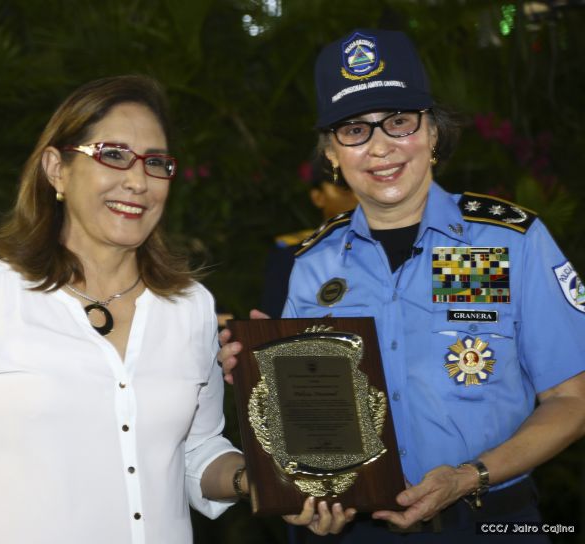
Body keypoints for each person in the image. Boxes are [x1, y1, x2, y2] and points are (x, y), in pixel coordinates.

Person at [0, 75, 345, 544]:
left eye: (156, 163)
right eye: (113, 155)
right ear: (57, 169)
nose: (138, 181)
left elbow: (195, 452)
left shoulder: (190, 307)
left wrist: (263, 481)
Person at [220, 28, 585, 542]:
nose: (380, 148)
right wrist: (260, 377)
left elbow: (573, 398)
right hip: (356, 529)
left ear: (433, 132)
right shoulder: (311, 265)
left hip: (491, 519)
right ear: (331, 154)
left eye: (398, 122)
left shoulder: (509, 242)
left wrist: (469, 476)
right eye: (354, 130)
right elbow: (309, 420)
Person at [261, 157, 357, 318]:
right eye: (344, 189)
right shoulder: (295, 252)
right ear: (318, 197)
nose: (357, 197)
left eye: (360, 188)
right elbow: (277, 319)